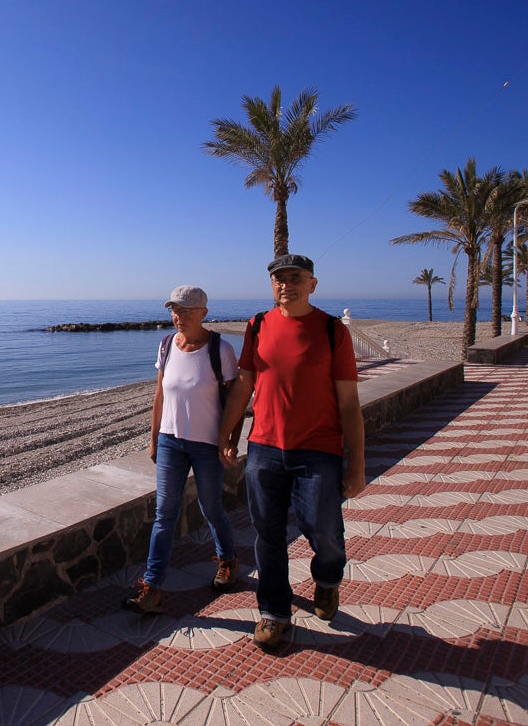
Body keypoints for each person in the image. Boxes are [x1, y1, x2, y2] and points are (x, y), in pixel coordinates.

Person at [217, 255, 365, 650]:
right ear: (272, 286)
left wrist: (358, 466)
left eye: (295, 278)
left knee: (325, 532)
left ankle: (328, 580)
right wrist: (227, 433)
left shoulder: (333, 330)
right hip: (264, 448)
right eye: (279, 280)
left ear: (312, 284)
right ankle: (273, 612)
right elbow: (244, 384)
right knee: (267, 536)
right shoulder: (258, 325)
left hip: (318, 451)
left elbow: (349, 404)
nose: (286, 285)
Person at [124, 284, 241, 613]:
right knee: (165, 515)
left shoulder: (221, 350)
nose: (179, 316)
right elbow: (160, 396)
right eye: (175, 310)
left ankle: (228, 561)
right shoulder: (166, 345)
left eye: (187, 310)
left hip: (207, 445)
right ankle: (152, 585)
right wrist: (153, 440)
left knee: (211, 508)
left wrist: (230, 441)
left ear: (203, 312)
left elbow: (235, 401)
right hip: (170, 442)